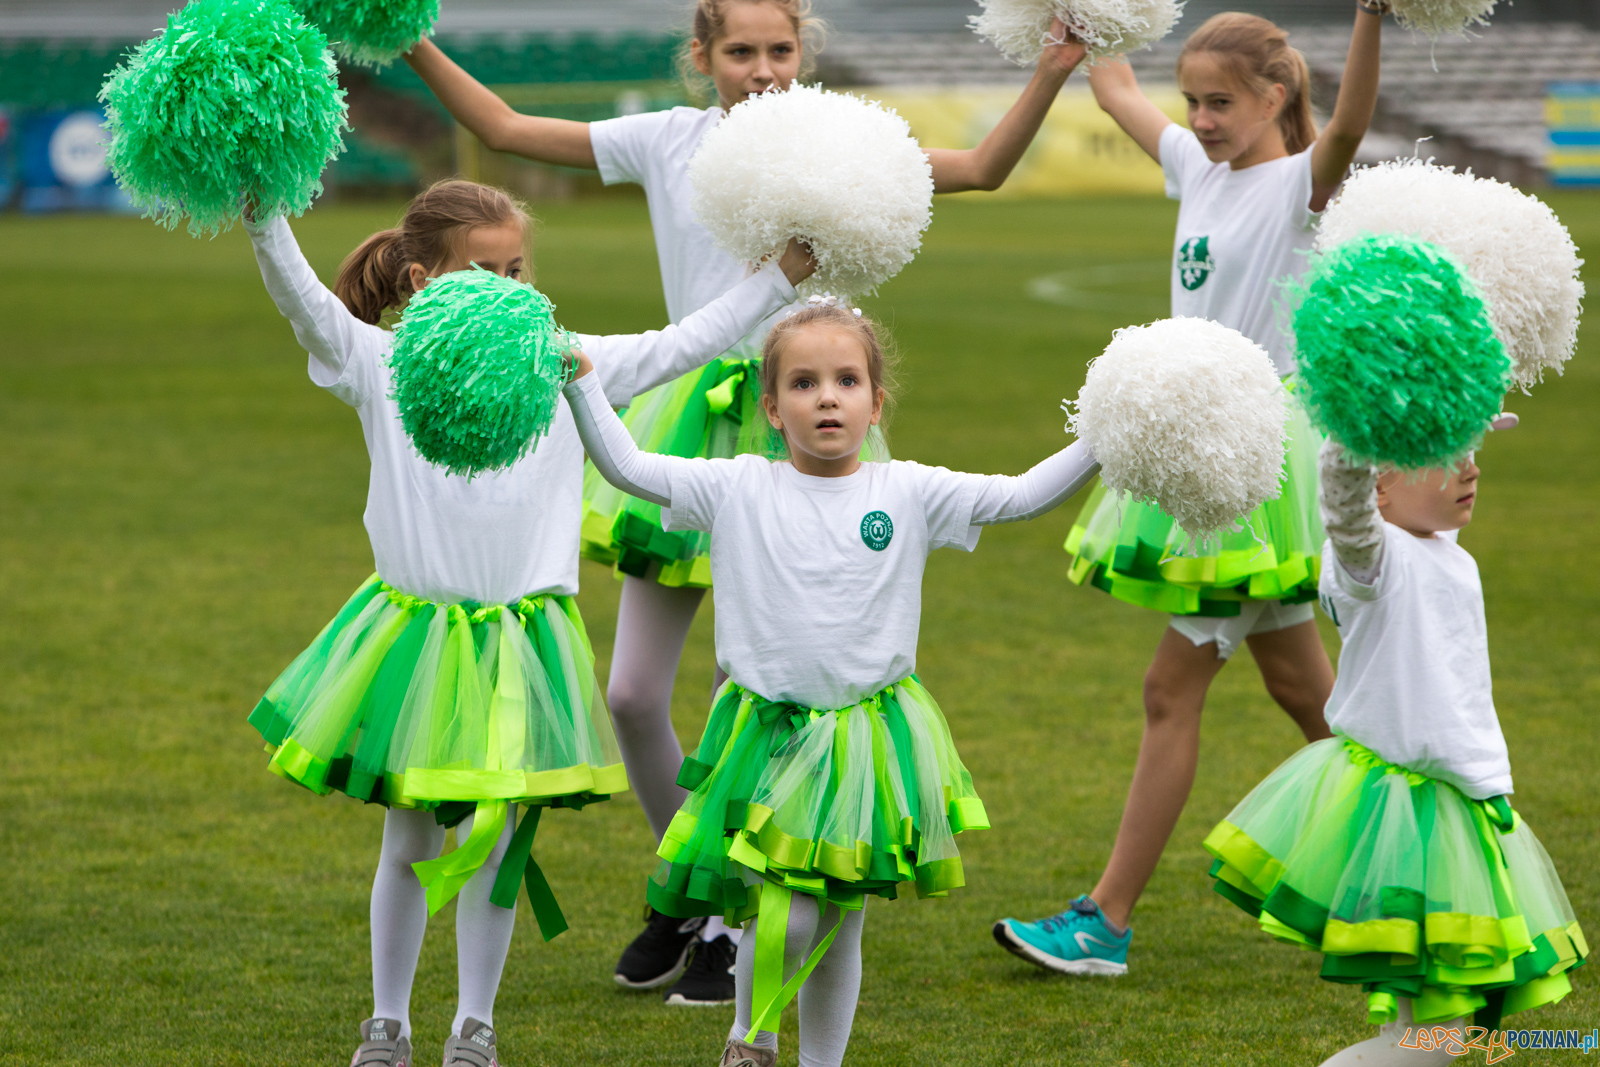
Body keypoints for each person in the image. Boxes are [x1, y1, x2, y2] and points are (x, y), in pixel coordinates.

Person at [405, 0, 1090, 1003]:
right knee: (633, 693)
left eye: (777, 49)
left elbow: (982, 168)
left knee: (788, 696)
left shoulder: (842, 143)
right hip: (693, 429)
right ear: (702, 57)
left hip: (813, 429)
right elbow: (508, 131)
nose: (760, 69)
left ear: (800, 53)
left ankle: (745, 913)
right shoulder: (666, 140)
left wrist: (1054, 68)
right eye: (738, 51)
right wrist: (412, 39)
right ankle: (693, 889)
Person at [242, 179, 814, 1067]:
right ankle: (385, 1024)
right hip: (417, 643)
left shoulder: (562, 359)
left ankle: (476, 1025)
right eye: (486, 270)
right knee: (408, 838)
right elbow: (305, 302)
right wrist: (262, 209)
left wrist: (780, 276)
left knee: (499, 841)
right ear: (424, 278)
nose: (512, 288)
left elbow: (680, 344)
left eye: (519, 269)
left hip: (521, 647)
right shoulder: (382, 363)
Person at [561, 301, 1102, 1067]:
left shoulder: (907, 490)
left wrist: (1102, 436)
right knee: (783, 906)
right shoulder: (737, 486)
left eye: (847, 380)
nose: (827, 396)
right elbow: (630, 468)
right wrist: (584, 384)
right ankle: (750, 1040)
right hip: (766, 736)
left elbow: (1018, 496)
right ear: (771, 408)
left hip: (865, 744)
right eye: (805, 382)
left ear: (875, 403)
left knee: (840, 915)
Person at [994, 4, 1386, 975]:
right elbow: (1117, 85)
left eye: (1221, 103)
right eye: (1194, 102)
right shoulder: (1192, 167)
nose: (1202, 119)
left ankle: (1105, 920)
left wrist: (1369, 16)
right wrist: (1089, 25)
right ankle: (1406, 859)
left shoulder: (1301, 183)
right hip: (1200, 454)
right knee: (1305, 690)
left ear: (1274, 96)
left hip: (1254, 468)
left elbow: (1347, 127)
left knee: (1169, 688)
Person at [1202, 435, 1586, 1066]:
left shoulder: (1446, 553)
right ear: (1377, 486)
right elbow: (1345, 509)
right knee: (1435, 1037)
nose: (1472, 468)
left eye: (1471, 449)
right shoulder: (1371, 560)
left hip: (1461, 805)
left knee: (1446, 1031)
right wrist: (1360, 430)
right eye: (1446, 457)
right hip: (1403, 813)